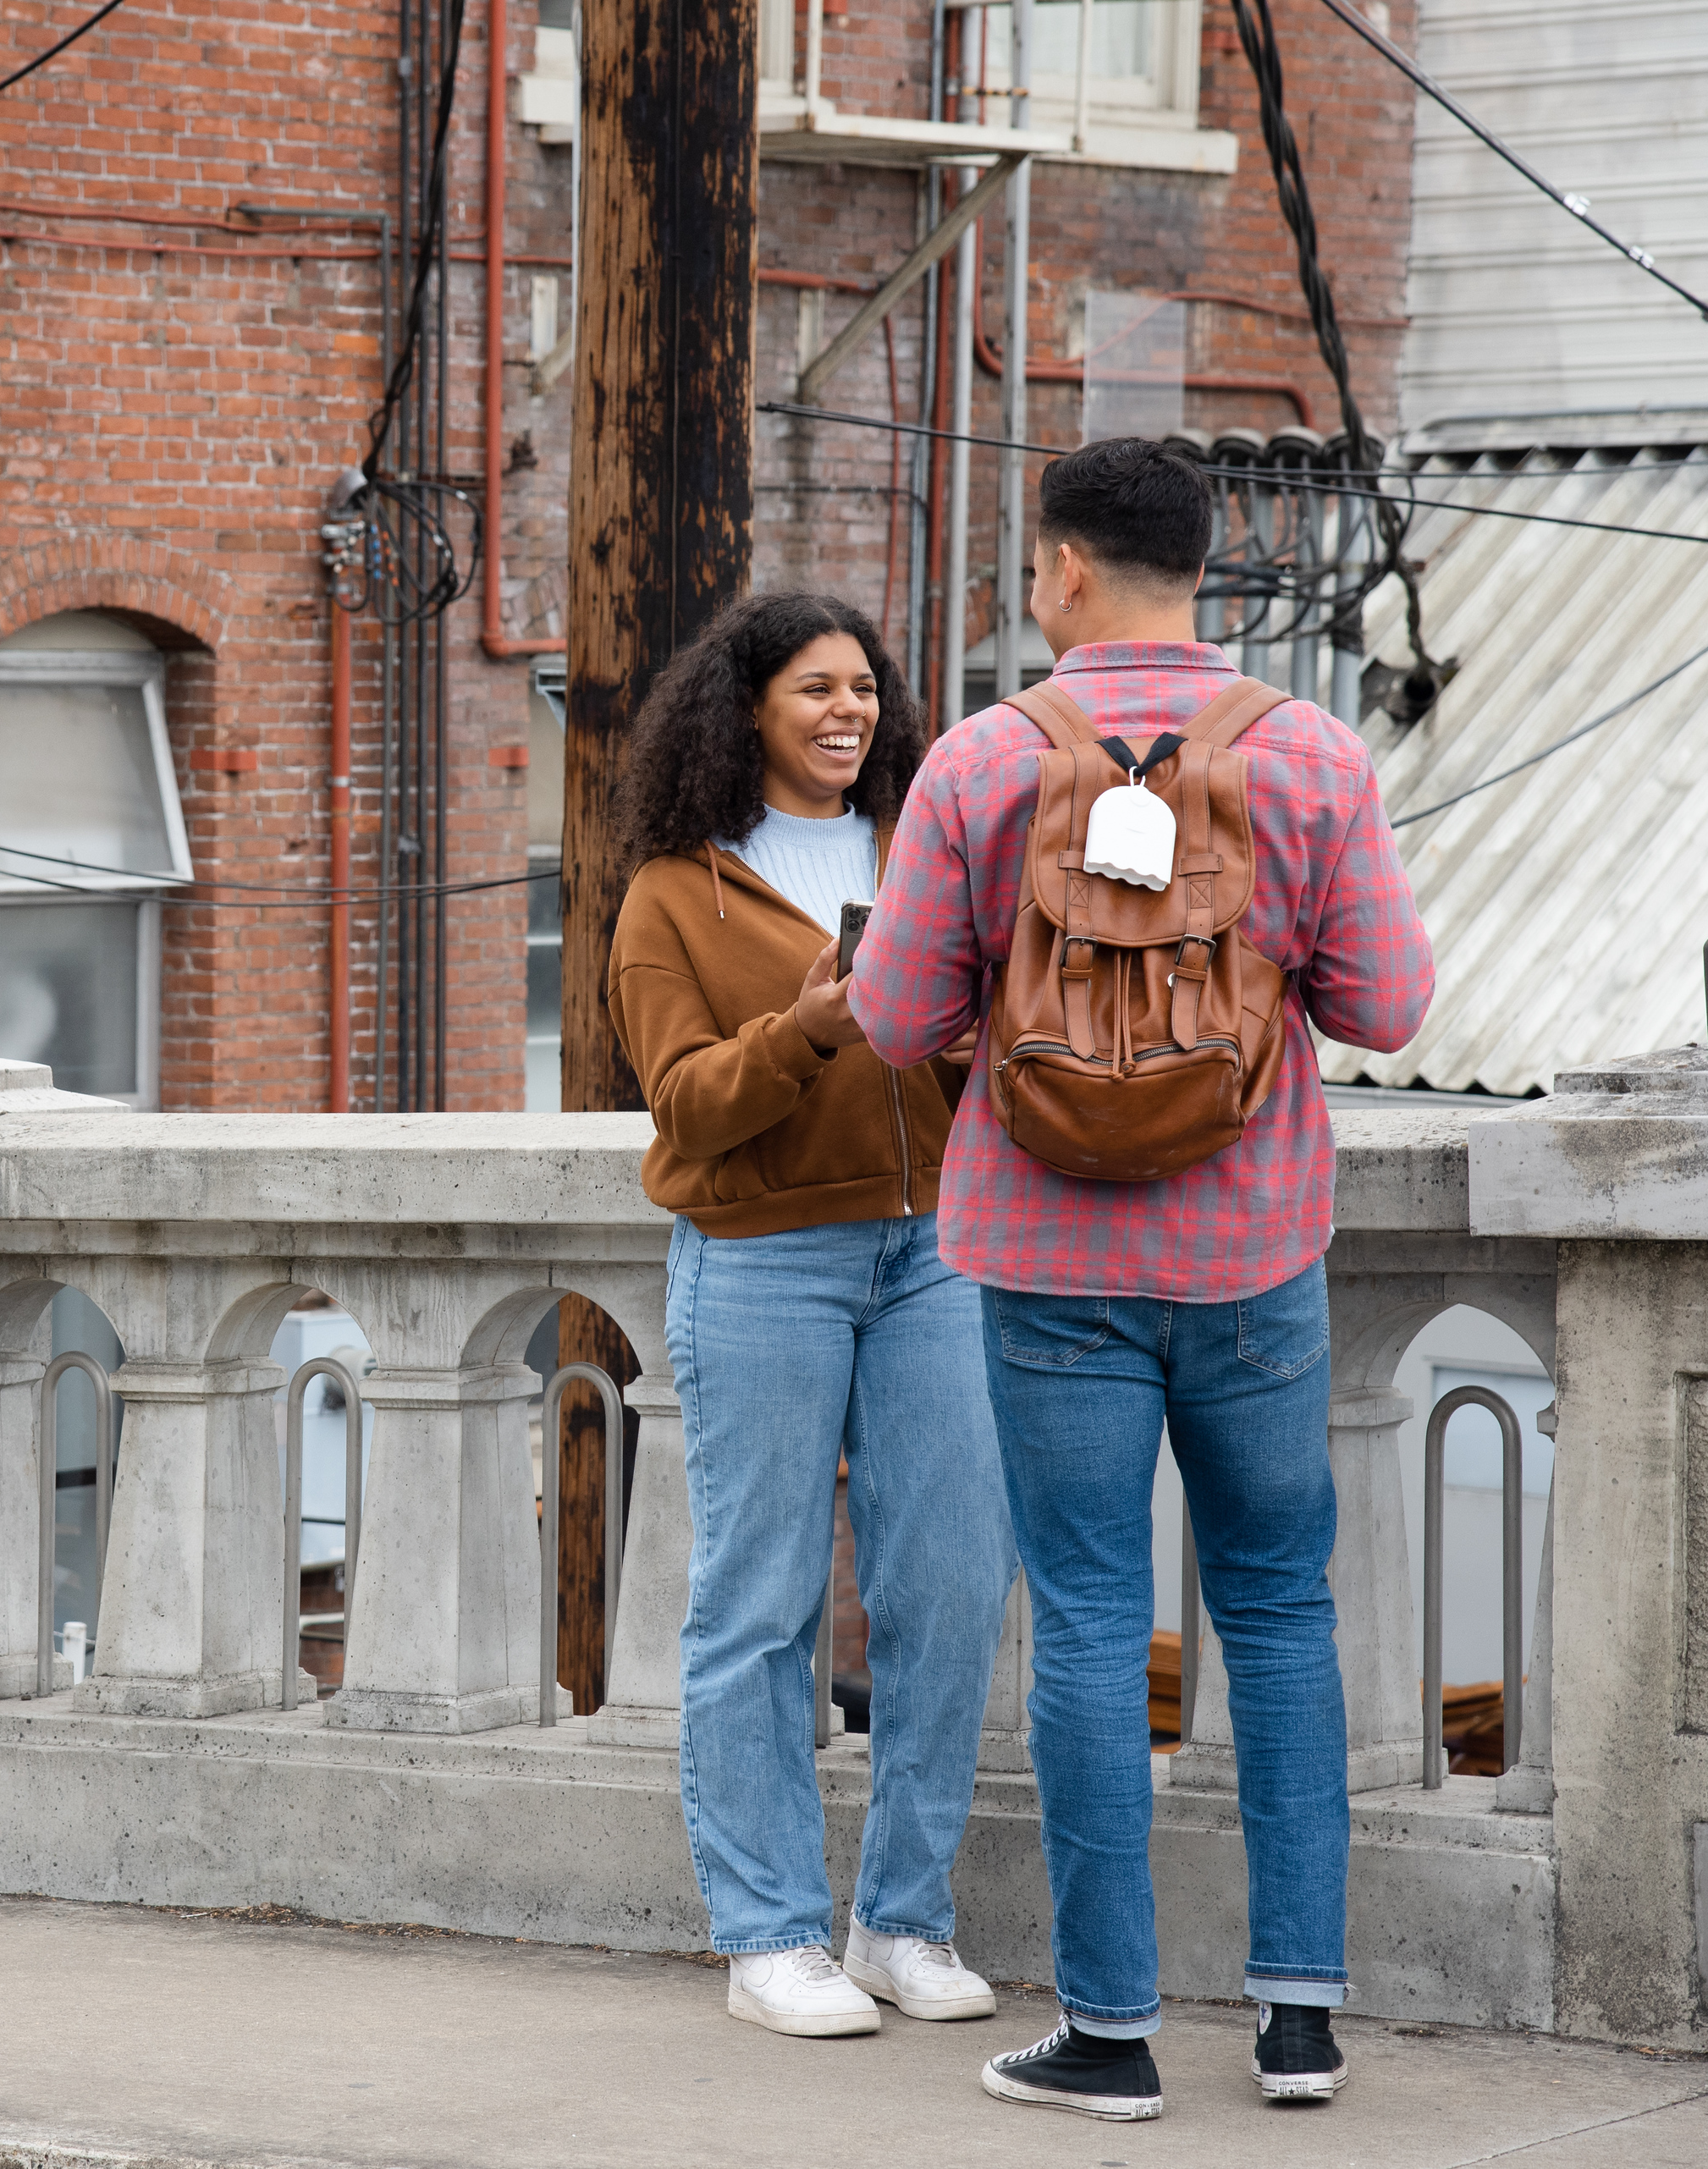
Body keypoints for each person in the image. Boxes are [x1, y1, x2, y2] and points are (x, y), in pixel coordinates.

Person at [847, 438, 1433, 2119]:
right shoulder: (1308, 754)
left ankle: (1108, 2033)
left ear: (1063, 571)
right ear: (1204, 568)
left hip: (1046, 1259)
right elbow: (1389, 1006)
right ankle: (1301, 2019)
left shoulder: (978, 761)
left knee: (1094, 1620)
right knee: (1277, 1610)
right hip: (1253, 1257)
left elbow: (890, 1022)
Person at [607, 589, 1014, 2040]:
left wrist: (975, 1045)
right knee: (760, 1602)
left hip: (937, 1258)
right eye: (813, 691)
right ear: (747, 711)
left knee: (952, 1588)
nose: (847, 711)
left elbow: (987, 1071)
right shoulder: (675, 892)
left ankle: (901, 1920)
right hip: (762, 1254)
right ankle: (768, 1933)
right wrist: (813, 1025)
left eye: (864, 688)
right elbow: (686, 1105)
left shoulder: (926, 854)